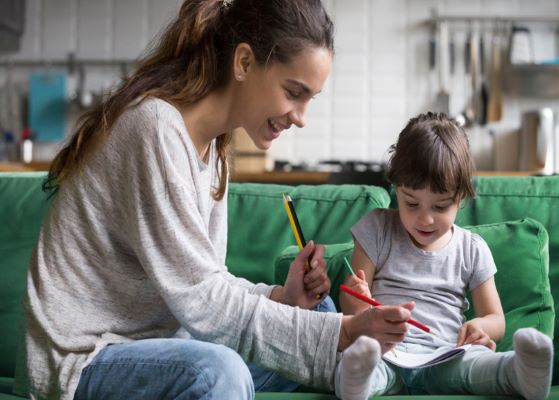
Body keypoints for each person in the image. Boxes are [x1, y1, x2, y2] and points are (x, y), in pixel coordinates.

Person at [19, 1, 417, 399]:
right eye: (294, 93)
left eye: (310, 98)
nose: (301, 117)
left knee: (317, 313)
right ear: (244, 62)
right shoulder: (155, 128)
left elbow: (208, 282)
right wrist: (344, 332)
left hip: (165, 346)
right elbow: (203, 301)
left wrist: (284, 297)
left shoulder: (215, 151)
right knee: (218, 372)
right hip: (84, 360)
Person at [336, 112, 554, 400]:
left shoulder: (471, 249)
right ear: (396, 188)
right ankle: (355, 381)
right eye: (411, 203)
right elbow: (354, 307)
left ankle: (519, 373)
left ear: (460, 198)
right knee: (362, 361)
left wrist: (479, 326)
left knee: (476, 365)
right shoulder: (377, 228)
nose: (425, 219)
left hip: (444, 356)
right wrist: (356, 300)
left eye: (440, 207)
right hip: (387, 352)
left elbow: (495, 319)